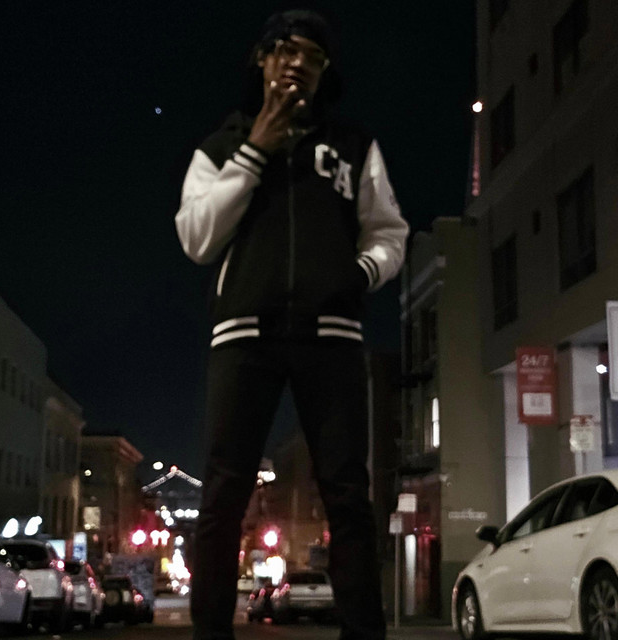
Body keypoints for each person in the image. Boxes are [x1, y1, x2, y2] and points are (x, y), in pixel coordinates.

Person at [175, 10, 409, 640]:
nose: (298, 62)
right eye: (285, 49)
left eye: (313, 55)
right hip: (242, 333)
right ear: (262, 59)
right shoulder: (221, 145)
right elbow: (197, 238)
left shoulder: (353, 146)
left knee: (347, 494)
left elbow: (389, 232)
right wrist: (254, 150)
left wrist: (357, 275)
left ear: (324, 71)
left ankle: (365, 633)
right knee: (222, 495)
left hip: (331, 332)